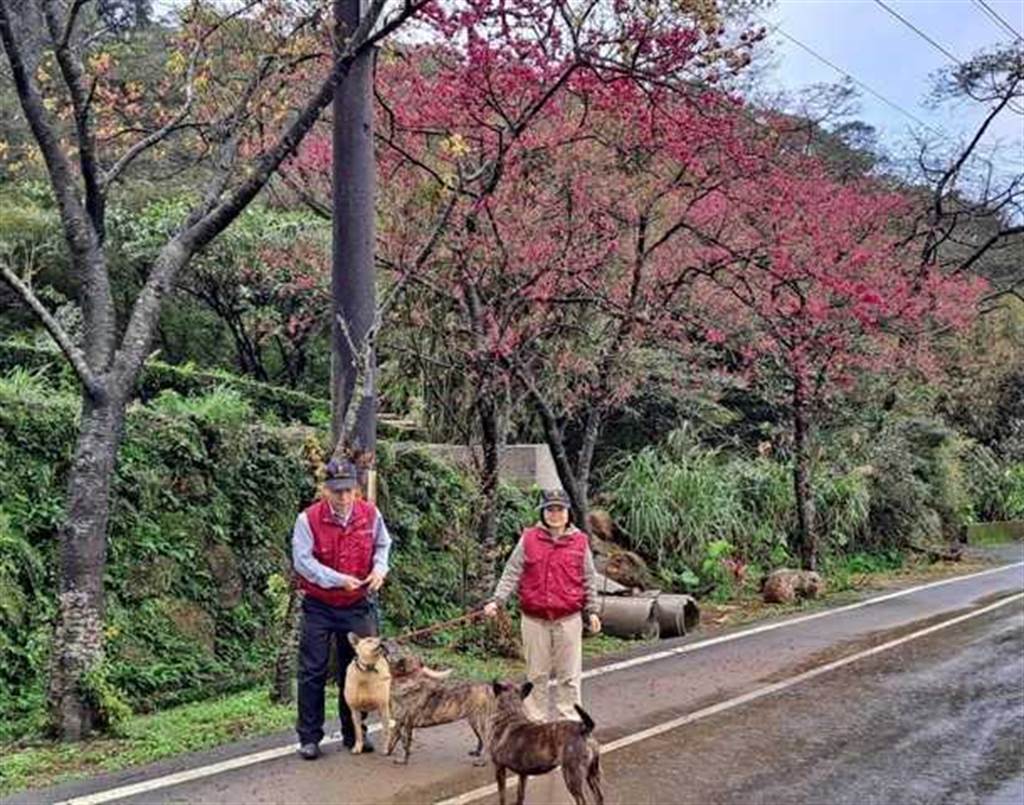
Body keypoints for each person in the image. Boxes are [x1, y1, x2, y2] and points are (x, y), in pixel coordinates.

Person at [292, 458, 391, 760]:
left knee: (360, 669)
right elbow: (303, 562)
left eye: (349, 491)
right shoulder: (307, 519)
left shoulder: (370, 514)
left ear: (357, 489)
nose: (344, 498)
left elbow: (383, 546)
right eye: (337, 492)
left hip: (357, 605)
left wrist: (379, 570)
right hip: (320, 605)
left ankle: (354, 734)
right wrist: (337, 580)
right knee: (313, 670)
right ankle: (310, 738)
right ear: (325, 490)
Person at [484, 489, 601, 722]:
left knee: (569, 677)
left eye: (560, 509)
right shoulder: (529, 538)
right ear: (543, 512)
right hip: (534, 619)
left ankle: (570, 725)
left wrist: (593, 611)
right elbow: (512, 571)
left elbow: (589, 578)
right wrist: (497, 600)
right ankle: (536, 725)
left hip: (568, 619)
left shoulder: (579, 541)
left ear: (568, 513)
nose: (555, 514)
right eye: (550, 509)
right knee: (536, 676)